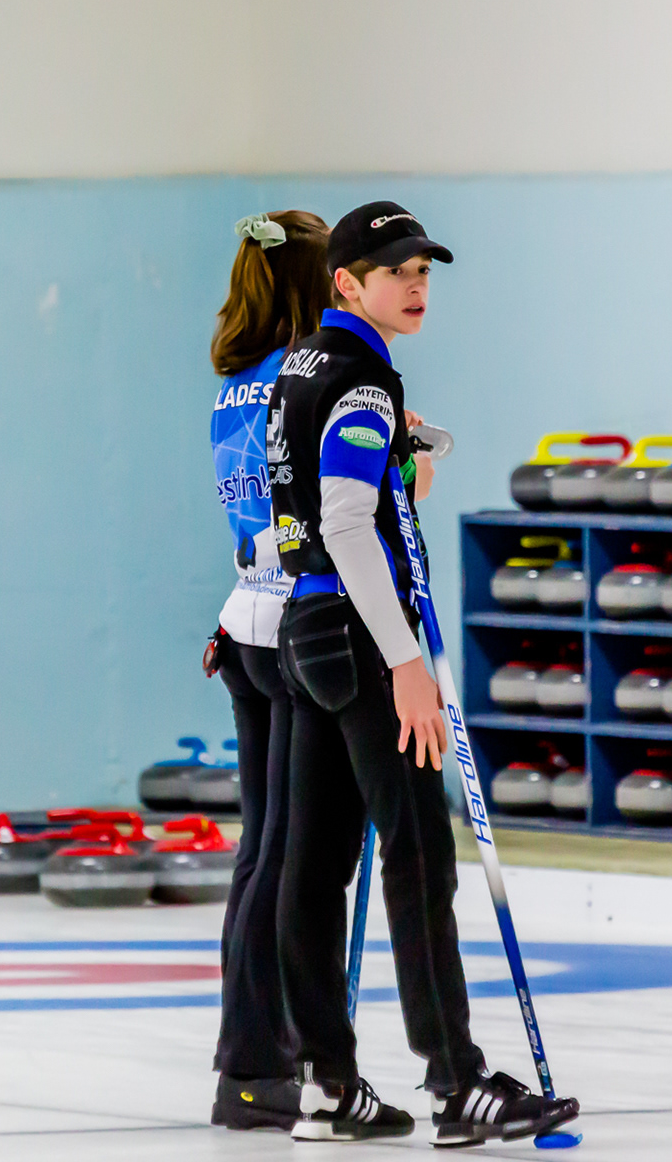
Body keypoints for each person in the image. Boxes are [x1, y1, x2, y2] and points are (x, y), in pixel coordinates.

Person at [267, 201, 579, 1146]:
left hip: (306, 628)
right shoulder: (360, 383)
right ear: (346, 283)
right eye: (395, 272)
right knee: (417, 855)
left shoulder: (306, 365)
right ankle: (457, 1083)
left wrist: (412, 456)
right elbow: (348, 522)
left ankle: (327, 1086)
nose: (415, 286)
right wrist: (406, 660)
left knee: (314, 865)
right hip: (363, 638)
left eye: (423, 271)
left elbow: (337, 484)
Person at [206, 208, 332, 1130]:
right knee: (287, 854)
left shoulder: (235, 380)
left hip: (247, 614)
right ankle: (256, 1061)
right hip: (292, 618)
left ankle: (257, 1054)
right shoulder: (301, 377)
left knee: (264, 849)